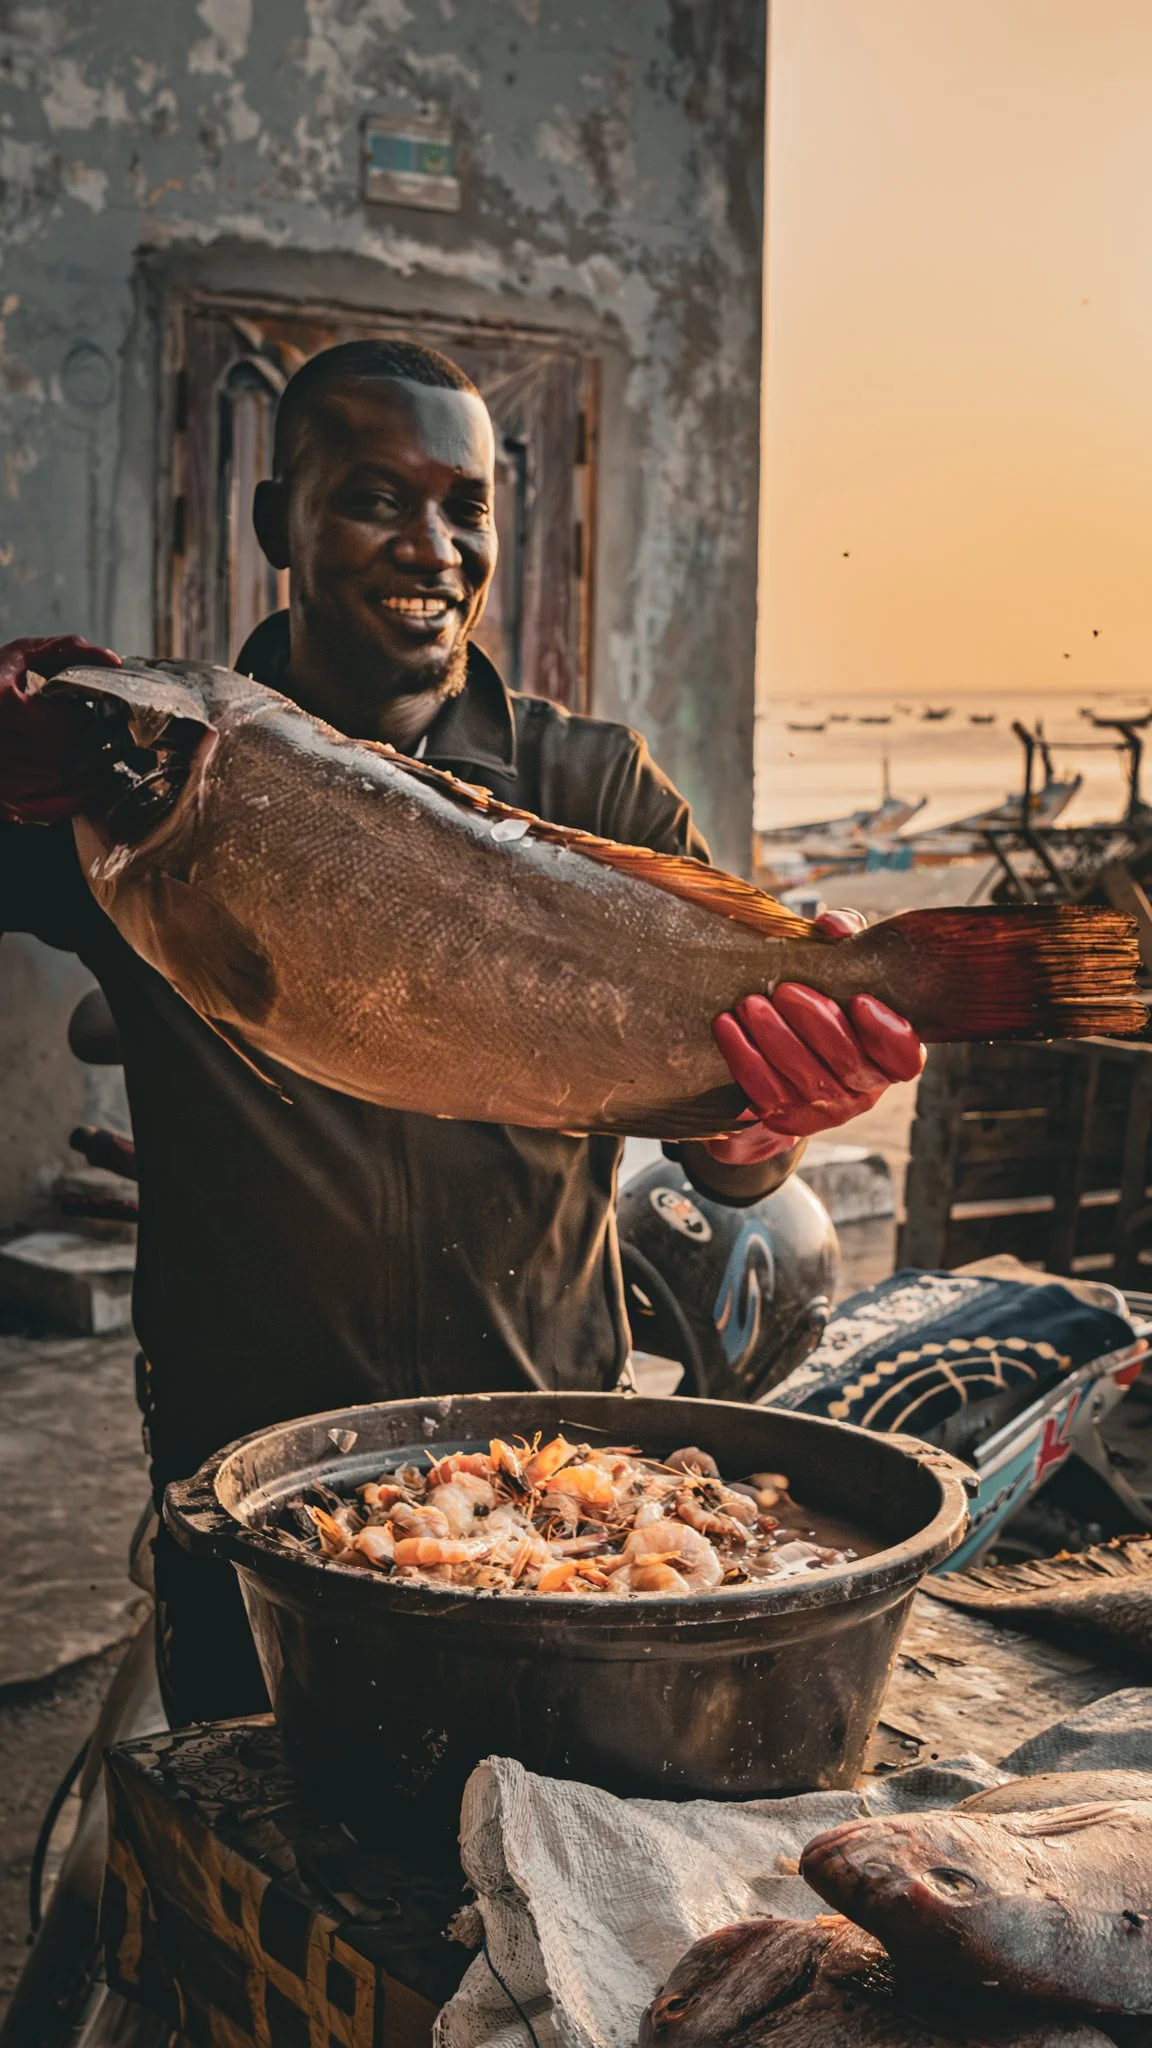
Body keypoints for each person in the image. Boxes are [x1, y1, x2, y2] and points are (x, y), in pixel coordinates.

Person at [0, 340, 922, 1722]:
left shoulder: (591, 783)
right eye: (376, 496)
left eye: (467, 506)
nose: (432, 546)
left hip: (558, 1486)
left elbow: (735, 1160)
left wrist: (765, 1130)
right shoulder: (140, 776)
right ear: (278, 525)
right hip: (255, 1500)